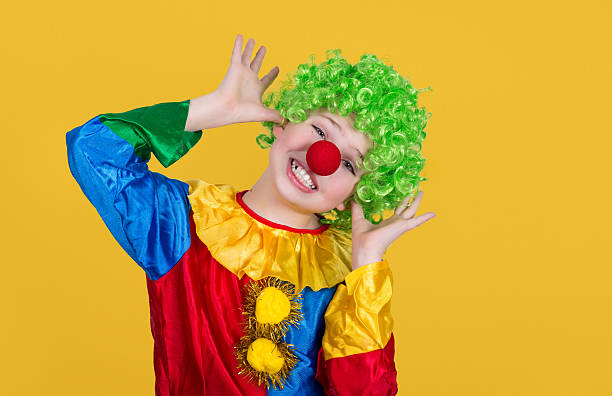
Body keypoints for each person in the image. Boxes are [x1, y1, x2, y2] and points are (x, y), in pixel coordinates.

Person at [66, 33, 435, 396]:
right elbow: (93, 150)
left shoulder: (344, 272)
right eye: (320, 129)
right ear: (284, 121)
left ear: (354, 196)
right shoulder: (183, 223)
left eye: (350, 164)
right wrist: (210, 111)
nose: (323, 158)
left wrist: (367, 267)